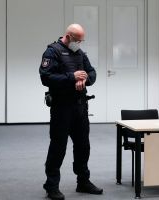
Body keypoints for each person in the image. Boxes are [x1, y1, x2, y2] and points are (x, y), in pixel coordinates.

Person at [39, 24, 103, 200]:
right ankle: (51, 186)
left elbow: (92, 73)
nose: (80, 43)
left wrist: (85, 80)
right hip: (61, 108)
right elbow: (46, 77)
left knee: (83, 146)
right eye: (77, 40)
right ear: (68, 36)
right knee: (58, 147)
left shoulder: (79, 53)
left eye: (82, 40)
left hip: (80, 107)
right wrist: (71, 78)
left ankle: (83, 181)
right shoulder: (52, 52)